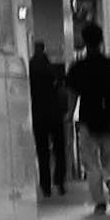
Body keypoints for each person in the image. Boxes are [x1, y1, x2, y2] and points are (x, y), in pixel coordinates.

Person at [67, 17, 110, 213]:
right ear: (101, 40)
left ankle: (99, 202)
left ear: (84, 41)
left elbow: (72, 95)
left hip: (87, 119)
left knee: (91, 163)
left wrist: (70, 115)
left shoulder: (78, 67)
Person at [29, 33, 70, 199]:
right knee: (59, 149)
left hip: (38, 114)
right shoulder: (51, 69)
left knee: (42, 150)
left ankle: (45, 186)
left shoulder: (31, 70)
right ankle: (59, 182)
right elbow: (62, 87)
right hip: (54, 114)